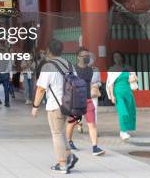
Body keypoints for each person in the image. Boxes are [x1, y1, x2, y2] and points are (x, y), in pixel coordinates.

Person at [32, 39, 79, 174]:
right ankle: (69, 157)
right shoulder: (69, 64)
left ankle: (62, 164)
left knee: (57, 133)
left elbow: (41, 89)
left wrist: (35, 106)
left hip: (55, 105)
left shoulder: (48, 67)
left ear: (48, 50)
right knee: (62, 132)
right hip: (69, 104)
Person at [66, 47, 105, 155]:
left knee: (92, 124)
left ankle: (95, 147)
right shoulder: (72, 69)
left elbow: (91, 83)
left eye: (88, 56)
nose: (87, 58)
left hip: (88, 100)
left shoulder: (90, 70)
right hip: (75, 101)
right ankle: (69, 141)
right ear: (78, 57)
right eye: (84, 56)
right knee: (72, 123)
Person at [107, 51, 137, 141]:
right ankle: (122, 132)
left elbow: (135, 77)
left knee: (130, 111)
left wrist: (133, 78)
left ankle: (126, 130)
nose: (116, 58)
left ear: (122, 57)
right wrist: (112, 96)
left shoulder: (127, 67)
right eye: (115, 57)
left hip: (128, 92)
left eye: (118, 56)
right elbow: (110, 84)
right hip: (118, 93)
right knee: (123, 112)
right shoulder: (111, 69)